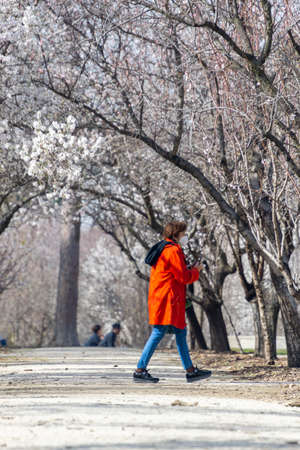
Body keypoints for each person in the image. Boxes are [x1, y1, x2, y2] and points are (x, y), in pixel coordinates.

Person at [133, 221, 212, 383]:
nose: (185, 237)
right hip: (168, 300)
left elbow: (174, 272)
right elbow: (182, 277)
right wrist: (195, 271)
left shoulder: (163, 248)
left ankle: (190, 371)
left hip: (165, 297)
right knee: (158, 333)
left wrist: (188, 268)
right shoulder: (173, 251)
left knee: (181, 332)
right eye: (184, 233)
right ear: (176, 234)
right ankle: (140, 370)